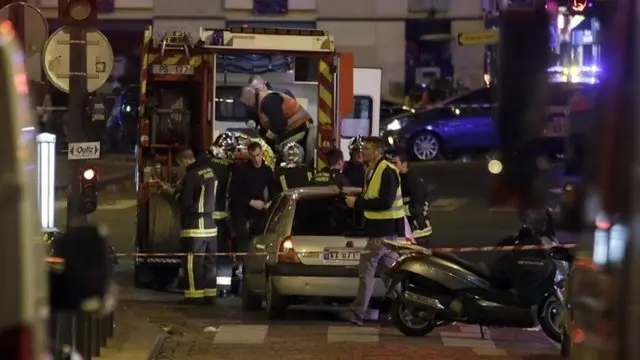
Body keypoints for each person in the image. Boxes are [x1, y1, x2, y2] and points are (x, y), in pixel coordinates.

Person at [340, 137, 405, 325]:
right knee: (387, 271)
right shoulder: (372, 169)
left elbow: (385, 202)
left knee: (366, 268)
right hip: (383, 231)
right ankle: (405, 308)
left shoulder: (387, 171)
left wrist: (357, 203)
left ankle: (357, 312)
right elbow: (371, 195)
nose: (363, 151)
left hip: (383, 232)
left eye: (367, 148)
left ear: (378, 152)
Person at [165, 149, 218, 305]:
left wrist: (174, 193)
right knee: (209, 263)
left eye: (180, 164)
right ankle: (210, 295)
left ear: (185, 161)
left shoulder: (191, 176)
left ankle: (193, 296)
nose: (180, 167)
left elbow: (186, 203)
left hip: (195, 225)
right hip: (211, 224)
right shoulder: (210, 171)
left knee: (192, 262)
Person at [239, 86, 312, 163]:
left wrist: (267, 141)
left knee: (281, 149)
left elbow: (279, 125)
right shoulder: (260, 102)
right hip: (290, 127)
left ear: (247, 97)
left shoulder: (268, 101)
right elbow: (267, 125)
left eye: (245, 102)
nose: (246, 105)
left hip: (300, 125)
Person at [228, 141, 277, 254]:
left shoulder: (267, 170)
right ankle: (241, 262)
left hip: (259, 208)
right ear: (249, 156)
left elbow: (273, 191)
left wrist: (269, 202)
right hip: (241, 207)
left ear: (262, 154)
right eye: (253, 156)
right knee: (242, 236)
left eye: (258, 155)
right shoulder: (241, 170)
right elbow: (233, 193)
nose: (256, 159)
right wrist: (251, 202)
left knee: (261, 233)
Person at [391, 153, 433, 246]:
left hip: (417, 231)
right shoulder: (397, 178)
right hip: (406, 229)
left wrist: (394, 211)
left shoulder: (413, 181)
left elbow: (417, 208)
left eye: (395, 163)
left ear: (404, 164)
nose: (392, 166)